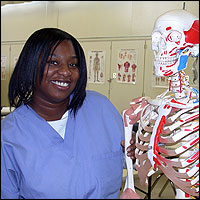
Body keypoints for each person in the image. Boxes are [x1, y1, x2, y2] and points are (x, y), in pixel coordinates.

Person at [1, 27, 135, 199]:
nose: (65, 72)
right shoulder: (9, 136)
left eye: (73, 64)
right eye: (53, 62)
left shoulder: (101, 109)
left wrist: (138, 153)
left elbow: (132, 161)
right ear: (31, 66)